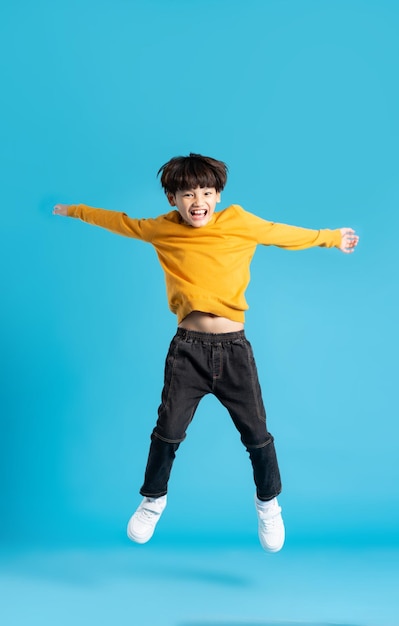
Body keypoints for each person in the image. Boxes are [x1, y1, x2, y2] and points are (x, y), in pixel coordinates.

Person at [53, 153, 359, 552]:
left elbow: (282, 233)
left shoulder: (238, 223)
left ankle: (269, 505)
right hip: (188, 351)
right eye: (188, 193)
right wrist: (74, 210)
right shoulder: (161, 230)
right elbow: (121, 222)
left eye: (207, 192)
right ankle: (153, 500)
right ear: (171, 198)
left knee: (257, 434)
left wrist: (331, 237)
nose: (198, 200)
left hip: (234, 349)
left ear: (217, 195)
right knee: (168, 430)